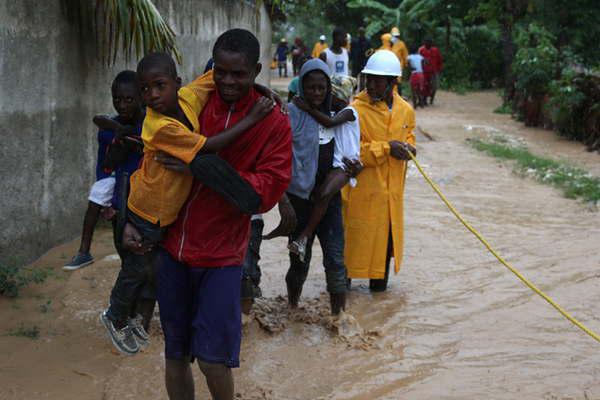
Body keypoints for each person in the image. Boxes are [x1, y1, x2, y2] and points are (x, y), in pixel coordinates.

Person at [123, 29, 292, 400]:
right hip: (170, 249)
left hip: (221, 256)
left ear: (256, 71)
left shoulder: (273, 121)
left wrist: (199, 167)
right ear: (212, 68)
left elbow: (260, 195)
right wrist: (133, 221)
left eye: (240, 75)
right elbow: (150, 169)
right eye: (222, 72)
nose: (229, 82)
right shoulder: (189, 102)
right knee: (175, 355)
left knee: (214, 361)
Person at [100, 52, 275, 356]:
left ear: (177, 83)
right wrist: (252, 119)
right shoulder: (159, 127)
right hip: (146, 212)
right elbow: (208, 147)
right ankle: (115, 316)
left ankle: (136, 322)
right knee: (137, 268)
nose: (152, 95)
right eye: (144, 89)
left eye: (159, 85)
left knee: (151, 271)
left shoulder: (188, 97)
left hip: (160, 210)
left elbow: (214, 77)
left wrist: (261, 89)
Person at [266, 58, 358, 316]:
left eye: (321, 88)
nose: (317, 93)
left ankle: (338, 318)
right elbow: (276, 157)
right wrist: (282, 200)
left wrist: (354, 166)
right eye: (311, 88)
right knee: (298, 263)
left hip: (330, 202)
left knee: (336, 261)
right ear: (302, 87)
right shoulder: (289, 115)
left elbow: (352, 150)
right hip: (299, 201)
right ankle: (293, 308)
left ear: (329, 88)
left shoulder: (337, 115)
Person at [343, 50, 416, 292]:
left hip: (390, 198)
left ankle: (378, 307)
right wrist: (387, 148)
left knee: (384, 252)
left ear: (393, 82)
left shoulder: (405, 111)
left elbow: (409, 137)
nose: (371, 85)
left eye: (378, 80)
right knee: (350, 249)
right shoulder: (355, 111)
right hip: (361, 195)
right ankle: (339, 304)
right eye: (369, 79)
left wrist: (410, 148)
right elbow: (350, 153)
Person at [63, 71, 144, 271]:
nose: (122, 105)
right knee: (97, 196)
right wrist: (109, 199)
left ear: (141, 97)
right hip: (117, 180)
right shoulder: (108, 130)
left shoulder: (150, 126)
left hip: (142, 187)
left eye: (129, 99)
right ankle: (84, 252)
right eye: (117, 99)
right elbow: (104, 164)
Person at [419, 37, 443, 105]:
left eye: (429, 43)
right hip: (424, 72)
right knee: (425, 87)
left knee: (434, 87)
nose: (428, 45)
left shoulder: (435, 50)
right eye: (426, 43)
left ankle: (431, 100)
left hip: (433, 72)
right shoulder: (421, 50)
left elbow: (440, 60)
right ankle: (424, 100)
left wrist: (439, 69)